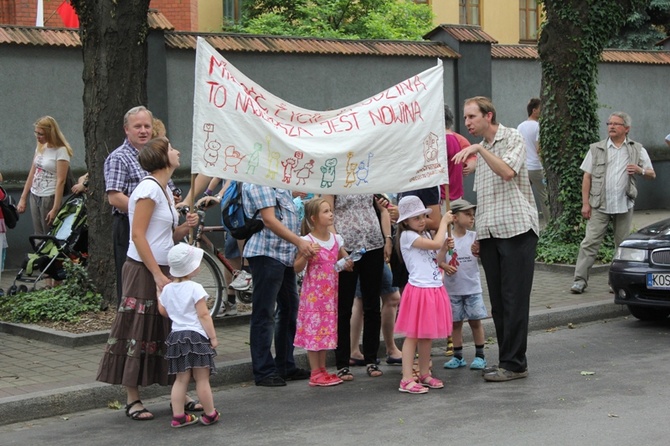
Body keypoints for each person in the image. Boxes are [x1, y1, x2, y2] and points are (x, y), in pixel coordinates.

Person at [96, 137, 199, 421]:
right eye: (173, 148)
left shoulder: (165, 189)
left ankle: (179, 392)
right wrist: (155, 274)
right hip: (143, 269)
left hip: (163, 268)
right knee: (137, 330)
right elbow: (138, 235)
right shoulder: (147, 189)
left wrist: (184, 229)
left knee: (169, 330)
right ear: (165, 157)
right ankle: (133, 398)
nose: (178, 151)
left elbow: (163, 237)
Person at [452, 96, 539, 382]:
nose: (467, 123)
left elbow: (507, 172)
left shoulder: (511, 137)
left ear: (488, 116)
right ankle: (508, 361)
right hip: (491, 234)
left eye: (471, 117)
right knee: (500, 304)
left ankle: (515, 364)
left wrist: (478, 150)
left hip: (517, 231)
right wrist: (480, 236)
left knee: (514, 300)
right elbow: (485, 201)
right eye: (465, 119)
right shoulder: (485, 151)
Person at [570, 112, 655, 294]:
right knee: (590, 242)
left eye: (616, 124)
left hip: (624, 204)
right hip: (599, 204)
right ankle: (579, 280)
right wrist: (585, 204)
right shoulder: (597, 148)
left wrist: (640, 170)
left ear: (626, 128)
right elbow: (587, 176)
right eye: (609, 123)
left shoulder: (637, 149)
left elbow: (651, 174)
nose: (611, 126)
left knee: (622, 245)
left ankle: (615, 282)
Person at [104, 108, 180, 308]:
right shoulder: (119, 157)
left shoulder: (158, 156)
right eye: (138, 127)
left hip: (158, 231)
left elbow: (170, 191)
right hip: (129, 225)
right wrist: (146, 210)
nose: (144, 131)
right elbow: (114, 196)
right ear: (126, 129)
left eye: (147, 126)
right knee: (135, 287)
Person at [243, 183, 315, 386]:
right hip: (267, 254)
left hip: (283, 255)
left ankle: (285, 365)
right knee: (264, 313)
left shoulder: (275, 180)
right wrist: (300, 242)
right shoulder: (259, 180)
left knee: (290, 308)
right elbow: (269, 220)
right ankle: (264, 371)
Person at [322, 194, 391, 381]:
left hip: (373, 244)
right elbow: (328, 215)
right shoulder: (335, 178)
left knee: (372, 305)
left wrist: (388, 238)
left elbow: (384, 208)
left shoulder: (369, 175)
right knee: (344, 307)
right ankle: (343, 363)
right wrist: (341, 251)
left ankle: (371, 359)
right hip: (347, 248)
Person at [394, 195, 453, 394]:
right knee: (413, 336)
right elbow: (436, 244)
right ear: (405, 222)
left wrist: (444, 247)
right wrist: (444, 222)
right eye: (415, 218)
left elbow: (436, 257)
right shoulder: (408, 236)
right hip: (419, 290)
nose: (421, 220)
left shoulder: (426, 235)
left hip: (433, 287)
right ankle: (406, 378)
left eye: (422, 216)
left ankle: (425, 372)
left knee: (426, 336)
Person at [158, 243, 220, 428]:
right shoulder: (195, 288)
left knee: (180, 379)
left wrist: (158, 293)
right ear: (191, 268)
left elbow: (164, 311)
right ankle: (210, 413)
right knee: (202, 378)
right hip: (196, 337)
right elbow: (203, 315)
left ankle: (178, 416)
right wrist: (213, 337)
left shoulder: (168, 289)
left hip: (176, 337)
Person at [293, 198, 348, 387]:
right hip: (314, 297)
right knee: (314, 331)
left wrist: (348, 262)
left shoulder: (336, 239)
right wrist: (306, 255)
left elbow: (343, 262)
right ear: (314, 218)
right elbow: (296, 267)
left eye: (331, 210)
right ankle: (315, 371)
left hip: (330, 297)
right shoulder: (307, 241)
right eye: (325, 211)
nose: (331, 214)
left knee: (324, 331)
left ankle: (322, 368)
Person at [441, 199, 488, 371]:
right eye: (467, 214)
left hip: (472, 288)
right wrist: (445, 265)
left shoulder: (474, 237)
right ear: (454, 217)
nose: (471, 218)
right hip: (453, 289)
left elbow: (481, 256)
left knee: (475, 322)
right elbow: (438, 260)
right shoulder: (446, 238)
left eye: (473, 215)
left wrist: (479, 250)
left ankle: (480, 356)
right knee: (455, 324)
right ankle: (458, 356)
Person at [17, 116, 73, 235]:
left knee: (49, 232)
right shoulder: (41, 146)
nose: (37, 136)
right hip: (35, 194)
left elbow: (61, 181)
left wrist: (55, 207)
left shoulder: (61, 151)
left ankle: (49, 253)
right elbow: (32, 172)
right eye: (36, 133)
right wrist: (23, 198)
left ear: (50, 133)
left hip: (49, 196)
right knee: (38, 232)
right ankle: (39, 252)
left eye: (41, 134)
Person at [517, 98, 550, 222]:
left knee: (524, 197)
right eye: (541, 109)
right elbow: (539, 149)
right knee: (544, 197)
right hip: (537, 167)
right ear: (534, 110)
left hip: (524, 167)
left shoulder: (520, 126)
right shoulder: (539, 126)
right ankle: (549, 225)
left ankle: (525, 223)